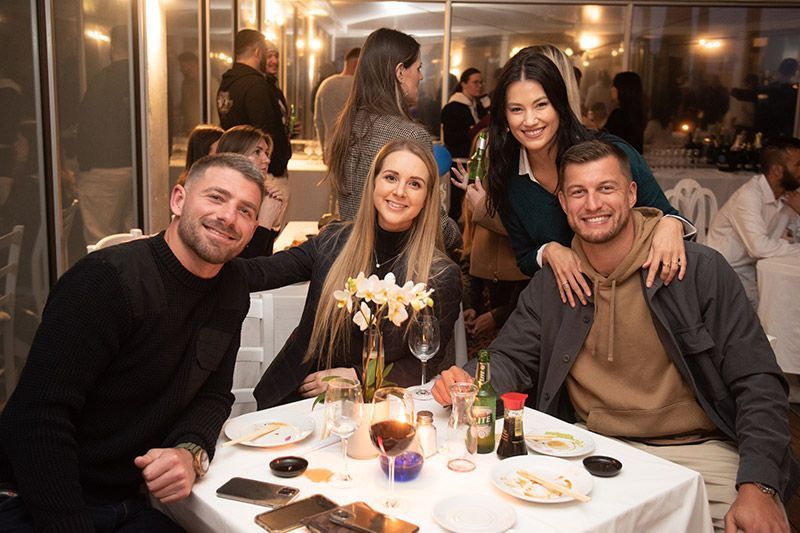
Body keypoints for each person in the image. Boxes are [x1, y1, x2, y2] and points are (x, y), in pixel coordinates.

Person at [434, 139, 796, 533]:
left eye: (605, 188)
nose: (592, 204)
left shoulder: (698, 271)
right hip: (590, 450)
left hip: (697, 451)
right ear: (563, 202)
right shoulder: (553, 283)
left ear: (631, 192)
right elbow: (511, 358)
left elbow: (758, 380)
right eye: (578, 192)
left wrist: (759, 484)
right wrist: (471, 380)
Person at [0, 153, 265, 531]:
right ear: (178, 200)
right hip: (35, 499)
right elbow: (37, 419)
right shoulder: (106, 282)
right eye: (216, 198)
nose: (229, 217)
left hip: (127, 503)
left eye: (246, 210)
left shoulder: (231, 289)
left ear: (254, 227)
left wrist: (190, 452)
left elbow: (214, 393)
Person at [236, 139, 462, 409]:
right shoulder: (334, 240)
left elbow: (425, 361)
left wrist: (357, 376)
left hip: (379, 406)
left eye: (415, 184)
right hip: (299, 397)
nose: (400, 191)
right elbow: (260, 273)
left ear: (427, 198)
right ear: (374, 183)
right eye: (391, 177)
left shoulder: (440, 274)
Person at [481, 48, 690, 308]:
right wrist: (549, 251)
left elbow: (670, 216)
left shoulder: (609, 154)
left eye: (541, 105)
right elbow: (524, 256)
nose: (530, 120)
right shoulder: (507, 175)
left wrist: (670, 224)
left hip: (637, 299)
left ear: (559, 104)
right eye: (516, 109)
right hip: (569, 309)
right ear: (504, 116)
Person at [326, 27, 461, 251]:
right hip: (394, 264)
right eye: (418, 68)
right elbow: (433, 222)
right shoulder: (409, 136)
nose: (421, 76)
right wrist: (461, 233)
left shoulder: (348, 124)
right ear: (400, 72)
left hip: (349, 256)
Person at [706, 137, 800, 306]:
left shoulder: (788, 195)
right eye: (798, 165)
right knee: (775, 308)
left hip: (756, 269)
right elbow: (759, 247)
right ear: (777, 170)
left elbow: (795, 235)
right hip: (724, 273)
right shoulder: (749, 196)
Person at [76, 25, 134, 245]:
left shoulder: (102, 80)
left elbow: (88, 125)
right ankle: (131, 280)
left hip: (103, 168)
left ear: (112, 47)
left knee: (100, 238)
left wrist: (85, 165)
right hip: (138, 168)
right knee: (134, 237)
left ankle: (104, 280)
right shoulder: (146, 78)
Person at [217, 30, 291, 178]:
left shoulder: (226, 84)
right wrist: (275, 164)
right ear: (258, 51)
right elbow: (266, 130)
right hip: (260, 171)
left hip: (235, 166)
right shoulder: (256, 85)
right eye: (265, 52)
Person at [216, 125, 286, 258]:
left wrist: (272, 224)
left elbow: (264, 263)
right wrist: (265, 223)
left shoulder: (254, 196)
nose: (267, 160)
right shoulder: (222, 200)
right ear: (235, 155)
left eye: (266, 153)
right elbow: (247, 270)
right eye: (257, 152)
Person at [441, 67, 488, 223]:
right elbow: (451, 138)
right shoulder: (452, 107)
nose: (479, 86)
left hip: (477, 161)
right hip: (459, 161)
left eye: (481, 82)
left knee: (474, 203)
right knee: (457, 204)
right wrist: (471, 132)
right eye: (475, 82)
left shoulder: (479, 106)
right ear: (463, 84)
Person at [314, 47, 360, 161]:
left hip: (331, 152)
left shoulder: (325, 85)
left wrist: (324, 150)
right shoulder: (359, 87)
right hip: (355, 154)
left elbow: (318, 121)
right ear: (356, 64)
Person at [604, 72, 646, 154]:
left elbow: (605, 141)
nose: (611, 89)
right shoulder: (637, 113)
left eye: (614, 85)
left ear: (621, 89)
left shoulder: (619, 114)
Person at [177, 51, 200, 135]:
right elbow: (185, 104)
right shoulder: (185, 84)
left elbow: (215, 111)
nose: (181, 69)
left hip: (203, 132)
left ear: (192, 65)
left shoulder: (208, 83)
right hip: (188, 130)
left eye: (183, 66)